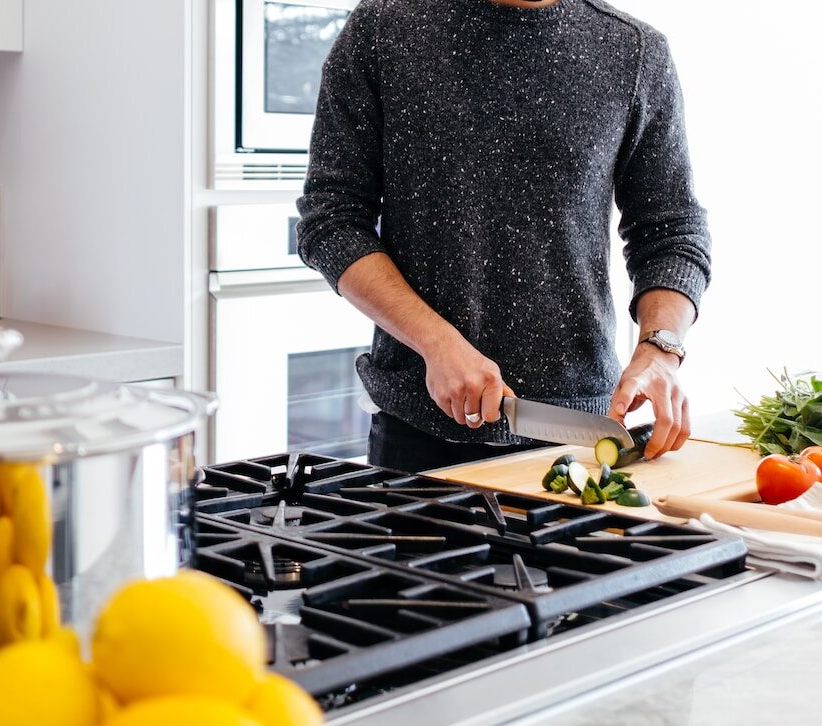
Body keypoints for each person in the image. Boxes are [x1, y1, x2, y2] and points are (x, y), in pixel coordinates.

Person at [296, 0, 711, 473]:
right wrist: (436, 342)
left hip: (579, 433)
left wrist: (660, 348)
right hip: (418, 436)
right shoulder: (383, 28)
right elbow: (331, 217)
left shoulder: (636, 52)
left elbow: (671, 231)